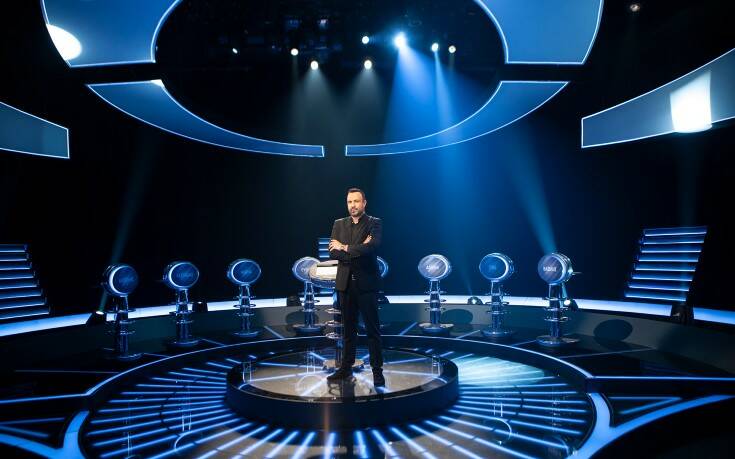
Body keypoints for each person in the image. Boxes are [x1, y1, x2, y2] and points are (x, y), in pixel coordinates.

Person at [326, 188, 385, 386]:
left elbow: (372, 247)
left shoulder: (374, 223)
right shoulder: (339, 223)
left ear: (364, 203)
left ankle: (377, 372)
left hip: (367, 284)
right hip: (345, 285)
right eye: (350, 202)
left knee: (372, 331)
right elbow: (333, 253)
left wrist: (345, 247)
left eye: (356, 201)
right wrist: (359, 248)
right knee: (348, 331)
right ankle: (345, 368)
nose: (353, 205)